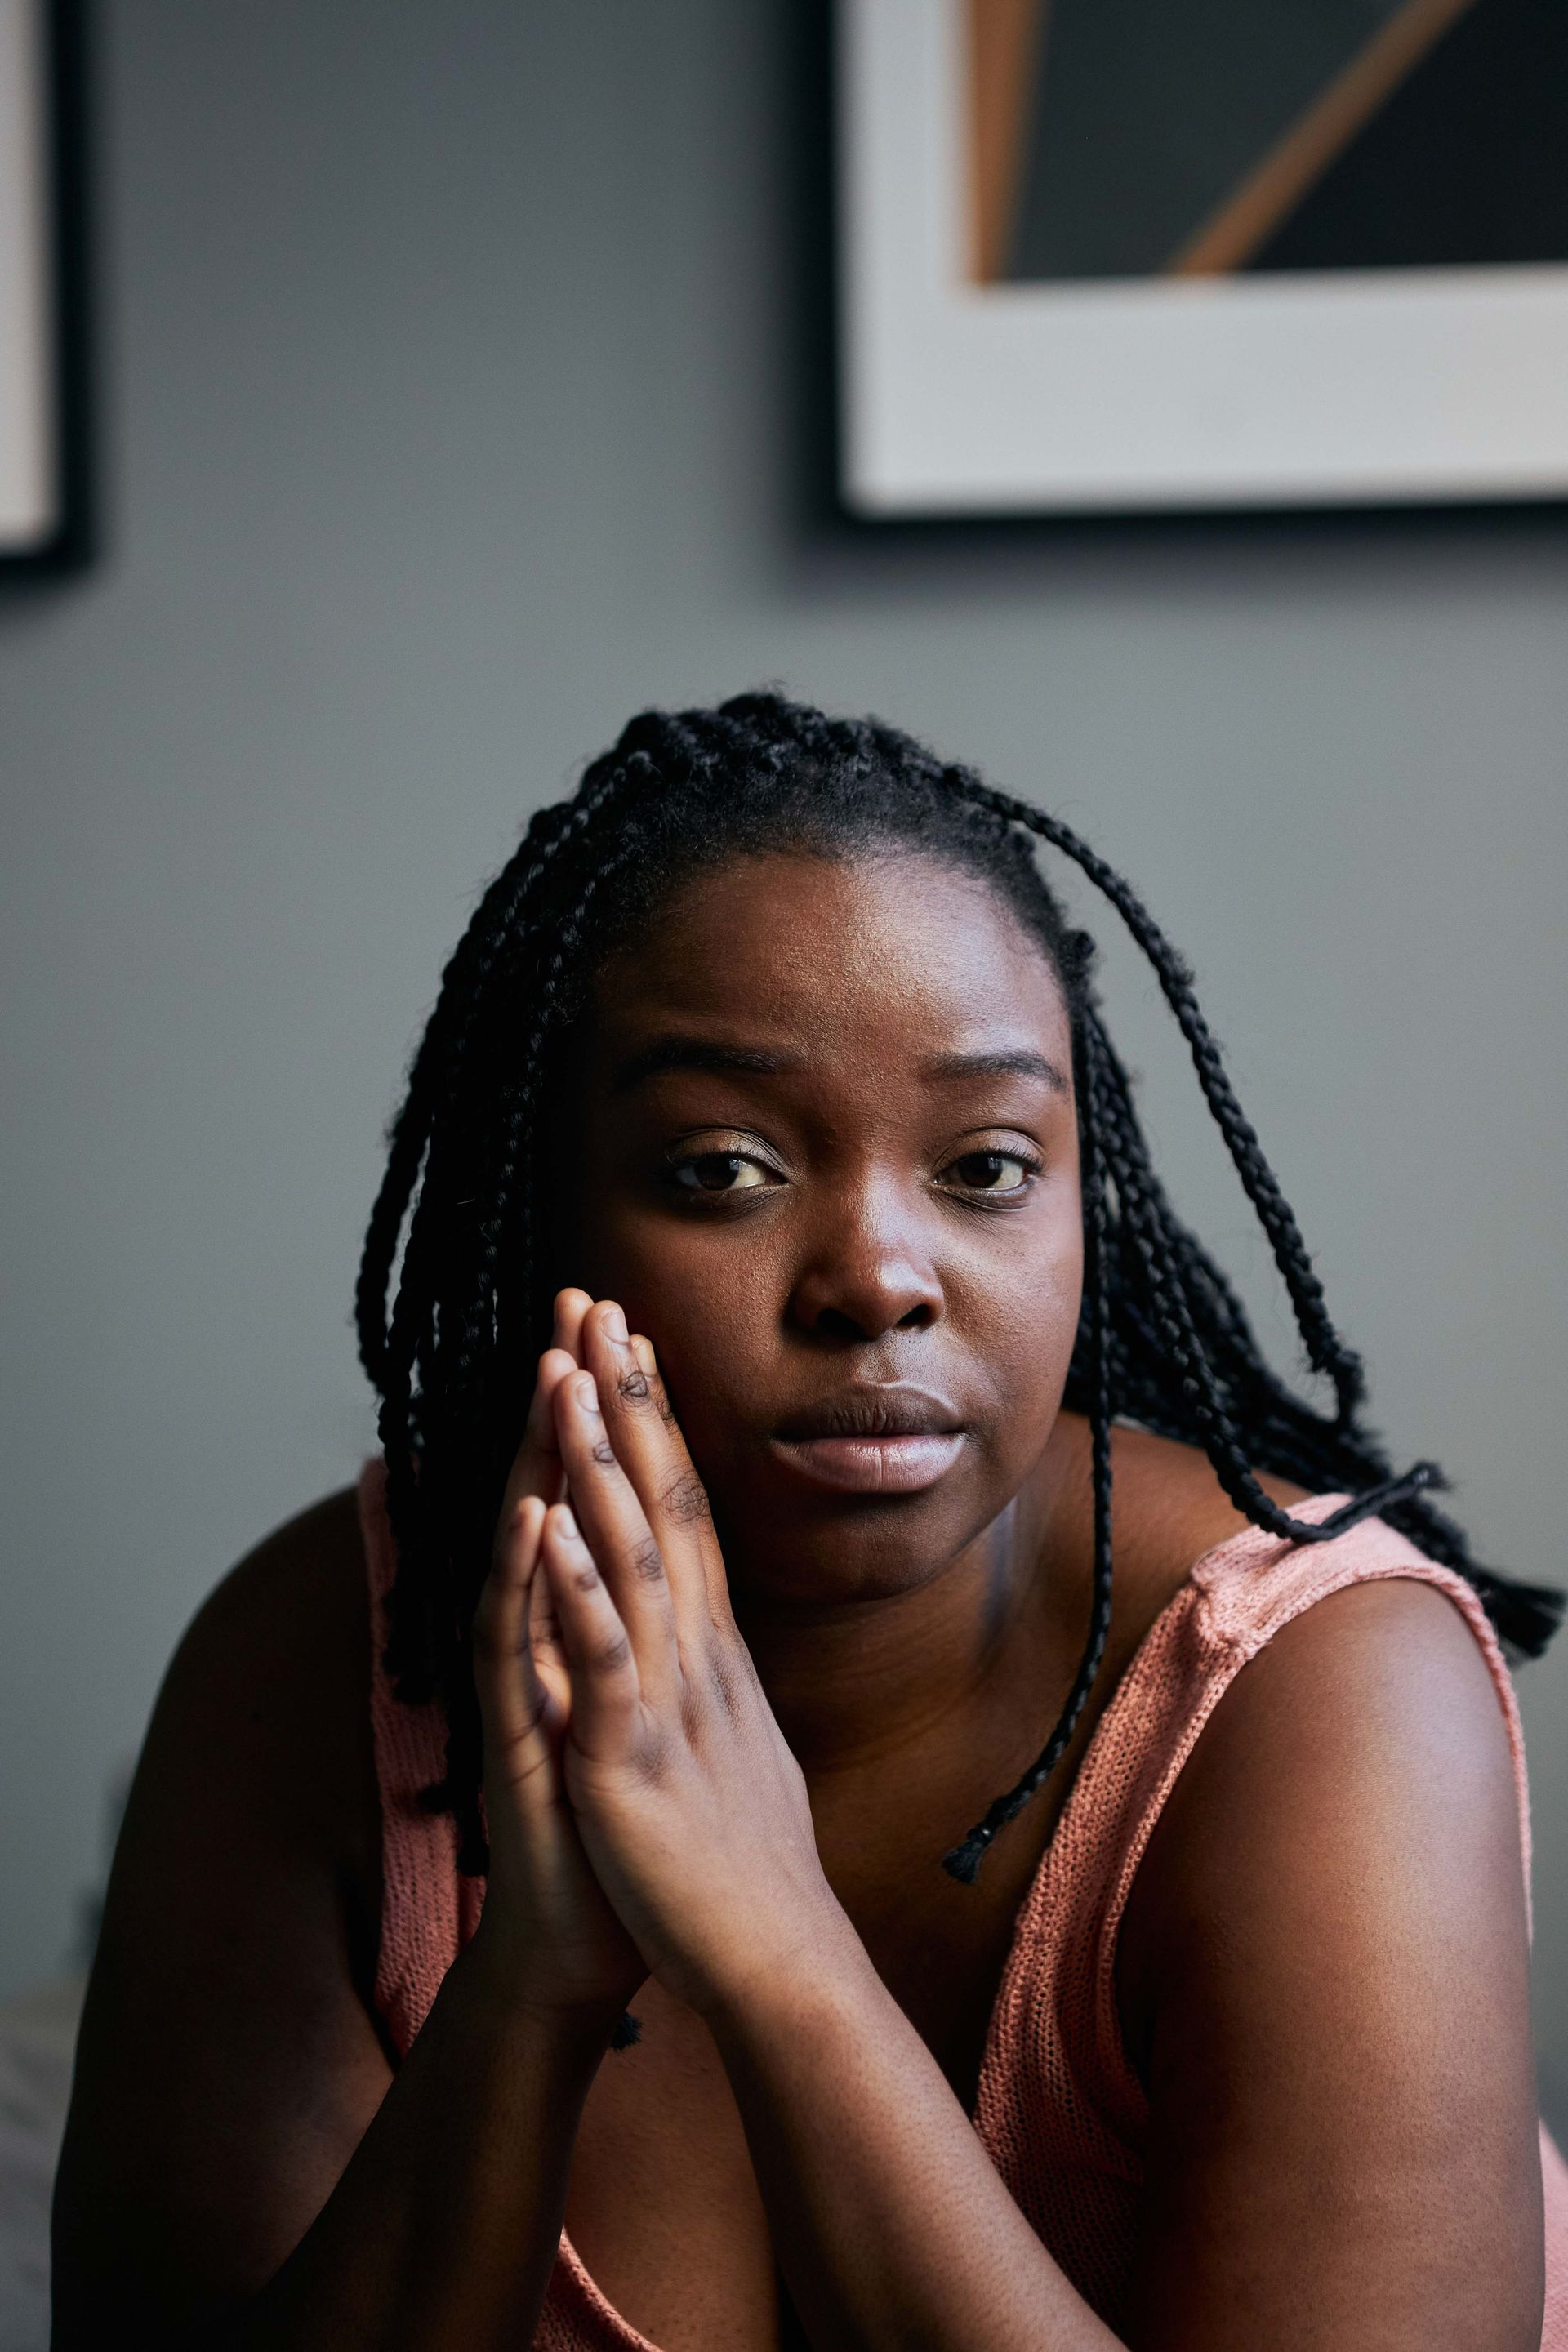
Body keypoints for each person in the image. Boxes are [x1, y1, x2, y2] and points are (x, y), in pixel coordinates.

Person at [51, 694, 1568, 2350]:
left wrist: (782, 1956)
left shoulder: (1319, 1687)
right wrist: (532, 1986)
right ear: (542, 1210)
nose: (877, 1282)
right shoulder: (326, 1656)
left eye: (987, 1166)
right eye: (722, 1168)